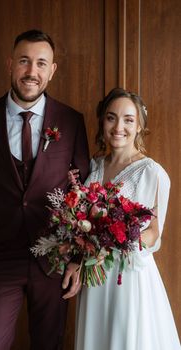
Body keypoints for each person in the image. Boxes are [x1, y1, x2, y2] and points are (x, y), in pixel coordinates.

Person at [0, 29, 89, 350]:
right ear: (10, 64)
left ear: (52, 70)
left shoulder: (70, 121)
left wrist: (77, 257)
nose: (32, 72)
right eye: (24, 61)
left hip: (54, 260)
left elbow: (84, 192)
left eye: (41, 63)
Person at [74, 88, 181, 350]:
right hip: (95, 273)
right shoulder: (95, 165)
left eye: (128, 119)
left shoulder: (152, 172)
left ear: (139, 126)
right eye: (111, 118)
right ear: (103, 122)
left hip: (128, 274)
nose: (118, 126)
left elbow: (155, 232)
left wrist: (119, 240)